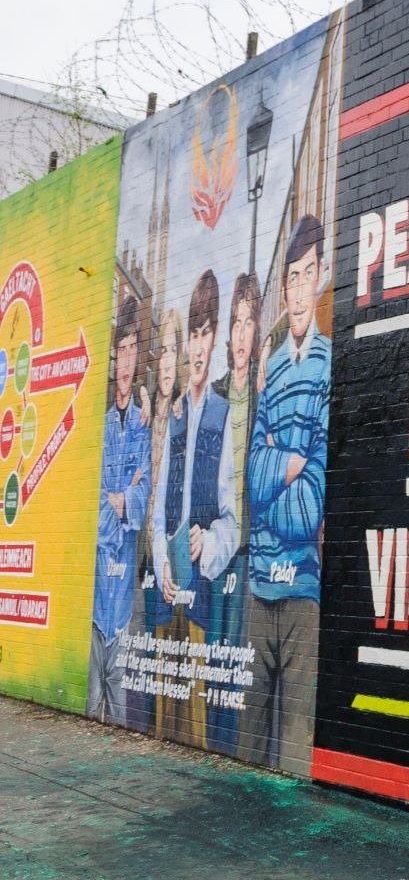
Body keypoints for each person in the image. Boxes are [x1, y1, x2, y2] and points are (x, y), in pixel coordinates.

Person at [243, 217, 330, 773]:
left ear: (321, 278)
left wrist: (287, 466)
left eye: (307, 276)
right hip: (258, 590)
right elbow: (254, 478)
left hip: (302, 590)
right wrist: (286, 465)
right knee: (249, 749)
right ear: (283, 288)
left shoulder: (328, 367)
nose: (298, 291)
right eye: (291, 279)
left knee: (296, 757)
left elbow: (310, 506)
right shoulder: (270, 372)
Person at [149, 270, 237, 750]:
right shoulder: (174, 414)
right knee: (164, 719)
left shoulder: (222, 417)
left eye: (207, 333)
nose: (200, 346)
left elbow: (231, 518)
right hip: (167, 589)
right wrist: (162, 558)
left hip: (200, 591)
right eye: (194, 334)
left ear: (215, 336)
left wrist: (210, 543)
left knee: (197, 725)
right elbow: (160, 507)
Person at [90, 295, 152, 728]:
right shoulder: (102, 422)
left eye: (133, 350)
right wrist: (116, 501)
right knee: (90, 707)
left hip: (124, 588)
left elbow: (143, 493)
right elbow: (92, 498)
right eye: (121, 350)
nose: (126, 360)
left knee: (123, 716)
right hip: (96, 588)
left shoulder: (142, 425)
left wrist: (124, 498)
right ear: (113, 358)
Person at [205, 272, 260, 752]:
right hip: (219, 539)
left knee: (236, 645)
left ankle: (225, 742)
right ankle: (210, 737)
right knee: (213, 646)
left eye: (249, 323)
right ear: (228, 335)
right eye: (236, 323)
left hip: (249, 545)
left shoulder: (261, 394)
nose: (241, 334)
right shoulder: (218, 394)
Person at [140, 308, 184, 738]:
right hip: (145, 558)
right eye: (163, 352)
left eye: (175, 351)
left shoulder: (185, 412)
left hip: (173, 556)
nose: (168, 362)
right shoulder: (149, 412)